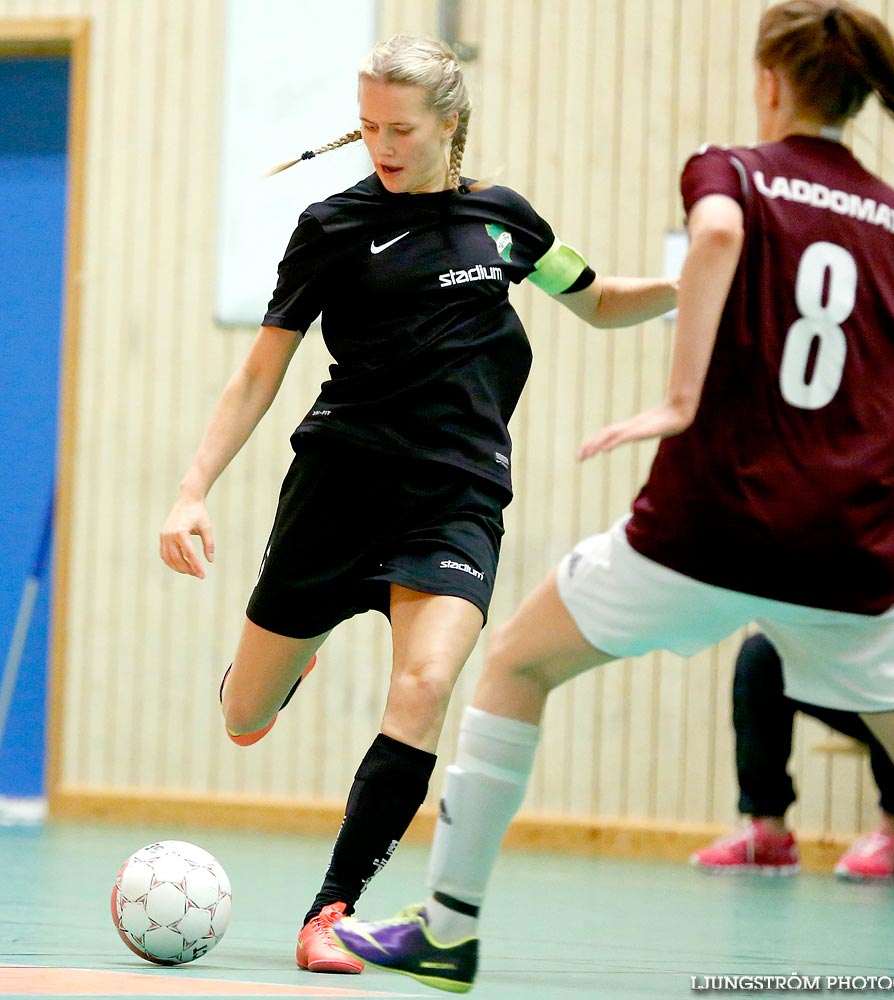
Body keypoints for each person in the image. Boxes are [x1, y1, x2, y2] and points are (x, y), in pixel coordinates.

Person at [328, 2, 894, 993]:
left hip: (708, 529)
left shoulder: (728, 168)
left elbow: (716, 231)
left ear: (771, 81)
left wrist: (679, 399)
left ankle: (448, 928)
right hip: (854, 547)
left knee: (513, 666)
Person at [159, 34, 677, 977]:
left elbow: (601, 303)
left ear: (450, 125)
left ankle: (333, 910)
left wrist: (700, 287)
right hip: (337, 485)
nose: (381, 147)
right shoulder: (331, 225)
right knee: (241, 716)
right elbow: (259, 373)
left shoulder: (505, 223)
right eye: (365, 127)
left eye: (400, 129)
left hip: (456, 493)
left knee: (428, 683)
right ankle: (280, 668)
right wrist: (192, 491)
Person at [691, 395, 894, 882]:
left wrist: (889, 649)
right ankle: (767, 830)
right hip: (891, 674)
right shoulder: (884, 514)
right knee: (764, 654)